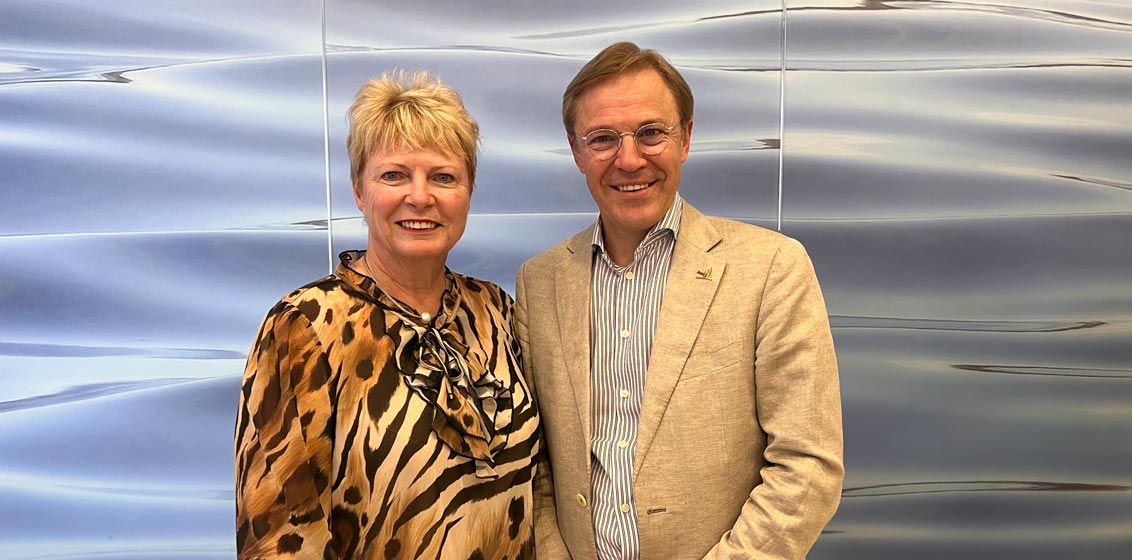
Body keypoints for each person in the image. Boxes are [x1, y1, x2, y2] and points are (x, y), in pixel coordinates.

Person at [515, 42, 843, 559]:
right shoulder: (540, 282)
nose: (629, 159)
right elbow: (534, 468)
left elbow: (807, 465)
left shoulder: (771, 268)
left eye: (651, 133)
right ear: (577, 152)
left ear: (685, 137)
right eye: (603, 139)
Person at [235, 70, 540, 559]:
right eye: (394, 175)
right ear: (359, 191)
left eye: (443, 177)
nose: (420, 196)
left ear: (468, 192)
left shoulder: (496, 310)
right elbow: (279, 540)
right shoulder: (304, 326)